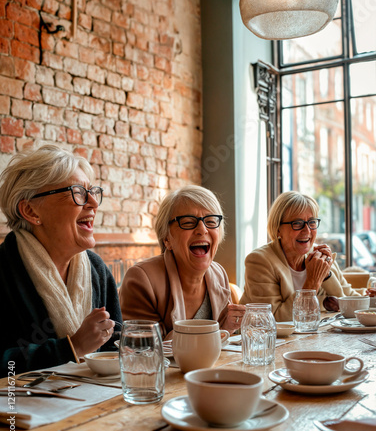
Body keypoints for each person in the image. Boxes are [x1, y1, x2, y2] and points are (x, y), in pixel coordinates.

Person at [0, 144, 122, 377]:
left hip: (95, 405)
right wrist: (71, 348)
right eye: (77, 192)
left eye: (92, 192)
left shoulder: (97, 270)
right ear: (31, 211)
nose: (93, 203)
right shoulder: (4, 271)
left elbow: (115, 346)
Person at [119, 185, 245, 339]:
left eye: (211, 221)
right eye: (188, 222)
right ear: (167, 239)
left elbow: (219, 345)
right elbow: (144, 352)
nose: (202, 229)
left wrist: (226, 328)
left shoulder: (219, 274)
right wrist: (215, 333)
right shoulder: (142, 279)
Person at [240, 191, 371, 321]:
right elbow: (271, 319)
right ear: (278, 228)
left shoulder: (320, 256)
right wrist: (312, 283)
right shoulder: (259, 261)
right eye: (297, 223)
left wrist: (373, 299)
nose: (307, 230)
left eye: (312, 222)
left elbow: (350, 300)